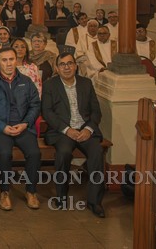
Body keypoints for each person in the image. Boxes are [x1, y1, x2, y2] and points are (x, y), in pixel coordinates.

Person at [43, 49, 106, 217]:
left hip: (85, 129)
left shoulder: (86, 83)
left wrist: (88, 129)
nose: (66, 67)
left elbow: (96, 112)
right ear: (57, 68)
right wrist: (67, 130)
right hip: (63, 131)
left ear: (75, 66)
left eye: (70, 63)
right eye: (62, 64)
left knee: (97, 152)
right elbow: (47, 112)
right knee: (63, 153)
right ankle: (61, 197)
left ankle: (95, 202)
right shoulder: (50, 85)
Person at [0, 46, 41, 211]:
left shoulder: (26, 81)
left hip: (23, 127)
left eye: (11, 59)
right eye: (4, 60)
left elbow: (35, 105)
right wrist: (2, 127)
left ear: (16, 61)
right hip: (0, 129)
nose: (8, 63)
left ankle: (31, 191)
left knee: (34, 153)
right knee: (5, 154)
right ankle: (4, 192)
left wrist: (25, 123)